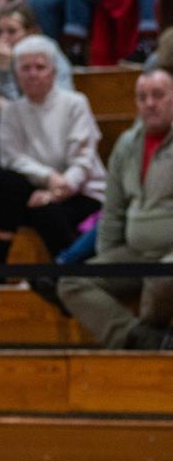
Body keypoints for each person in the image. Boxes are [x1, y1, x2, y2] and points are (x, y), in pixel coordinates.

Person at [58, 67, 173, 349]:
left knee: (161, 280)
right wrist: (109, 259)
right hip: (134, 252)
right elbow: (113, 211)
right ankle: (136, 338)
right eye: (142, 97)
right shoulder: (126, 144)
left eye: (158, 95)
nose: (150, 103)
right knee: (71, 281)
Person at [0, 35, 106, 265]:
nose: (33, 74)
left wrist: (59, 189)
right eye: (25, 68)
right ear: (16, 74)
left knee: (45, 210)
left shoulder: (75, 103)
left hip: (82, 191)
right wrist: (48, 177)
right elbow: (10, 158)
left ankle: (70, 272)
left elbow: (83, 161)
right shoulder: (11, 111)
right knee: (8, 183)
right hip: (38, 188)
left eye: (40, 67)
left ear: (53, 72)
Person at [0, 1, 73, 117]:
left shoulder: (48, 51)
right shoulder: (1, 54)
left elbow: (61, 99)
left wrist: (11, 104)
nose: (3, 38)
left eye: (12, 31)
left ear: (31, 32)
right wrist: (3, 70)